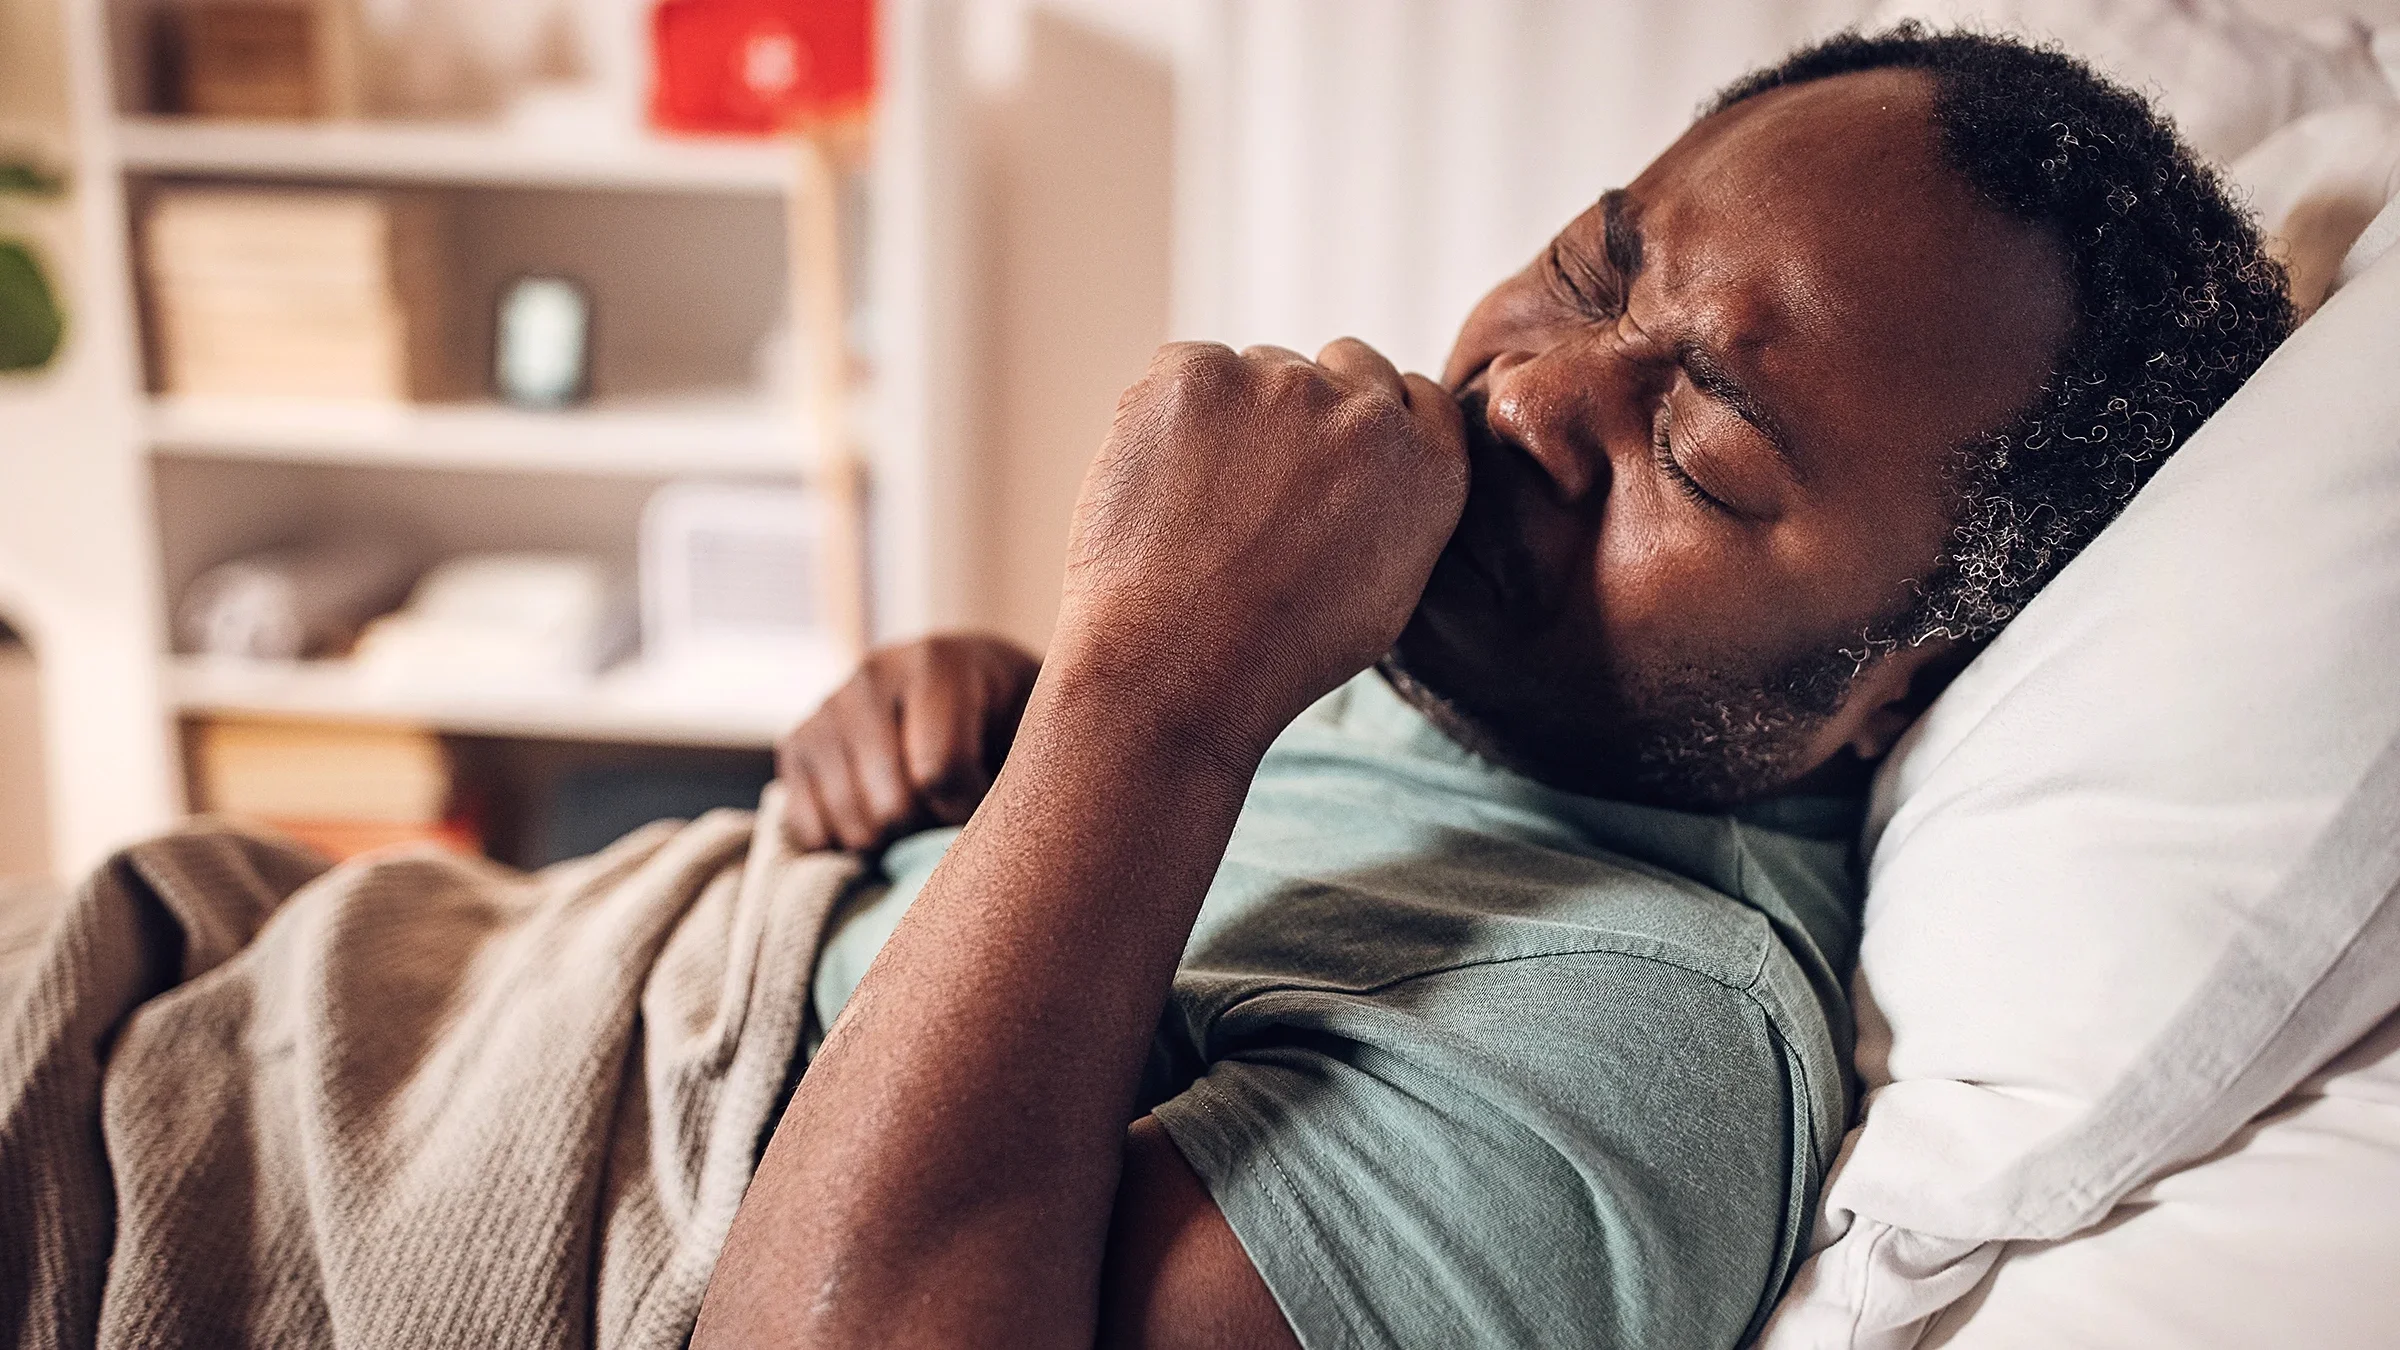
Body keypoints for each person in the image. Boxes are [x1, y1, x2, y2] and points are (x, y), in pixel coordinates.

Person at [694, 27, 2292, 1350]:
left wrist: (1152, 690)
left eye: (1707, 448)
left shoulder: (1641, 1043)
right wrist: (1015, 719)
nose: (1527, 388)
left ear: (1900, 680)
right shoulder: (1485, 676)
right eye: (1591, 270)